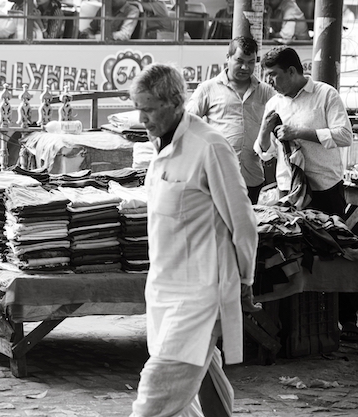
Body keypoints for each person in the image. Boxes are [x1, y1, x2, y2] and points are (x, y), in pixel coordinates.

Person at [130, 63, 259, 417]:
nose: (142, 118)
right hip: (164, 289)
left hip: (201, 294)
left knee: (155, 395)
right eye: (138, 108)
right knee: (203, 377)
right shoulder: (159, 147)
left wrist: (245, 280)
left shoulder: (209, 146)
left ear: (175, 102)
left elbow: (243, 222)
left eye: (149, 109)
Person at [254, 46, 357, 340]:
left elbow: (344, 135)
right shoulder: (274, 103)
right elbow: (264, 153)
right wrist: (265, 131)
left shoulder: (325, 95)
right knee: (292, 255)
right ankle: (295, 321)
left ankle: (346, 319)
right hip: (289, 193)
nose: (269, 81)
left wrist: (299, 133)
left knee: (336, 252)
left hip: (324, 188)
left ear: (292, 71)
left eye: (274, 75)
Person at [186, 36, 275, 204]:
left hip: (252, 177)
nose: (245, 67)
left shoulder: (266, 92)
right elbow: (187, 123)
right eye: (239, 61)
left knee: (249, 219)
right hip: (217, 176)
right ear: (228, 58)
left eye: (250, 62)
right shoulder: (208, 89)